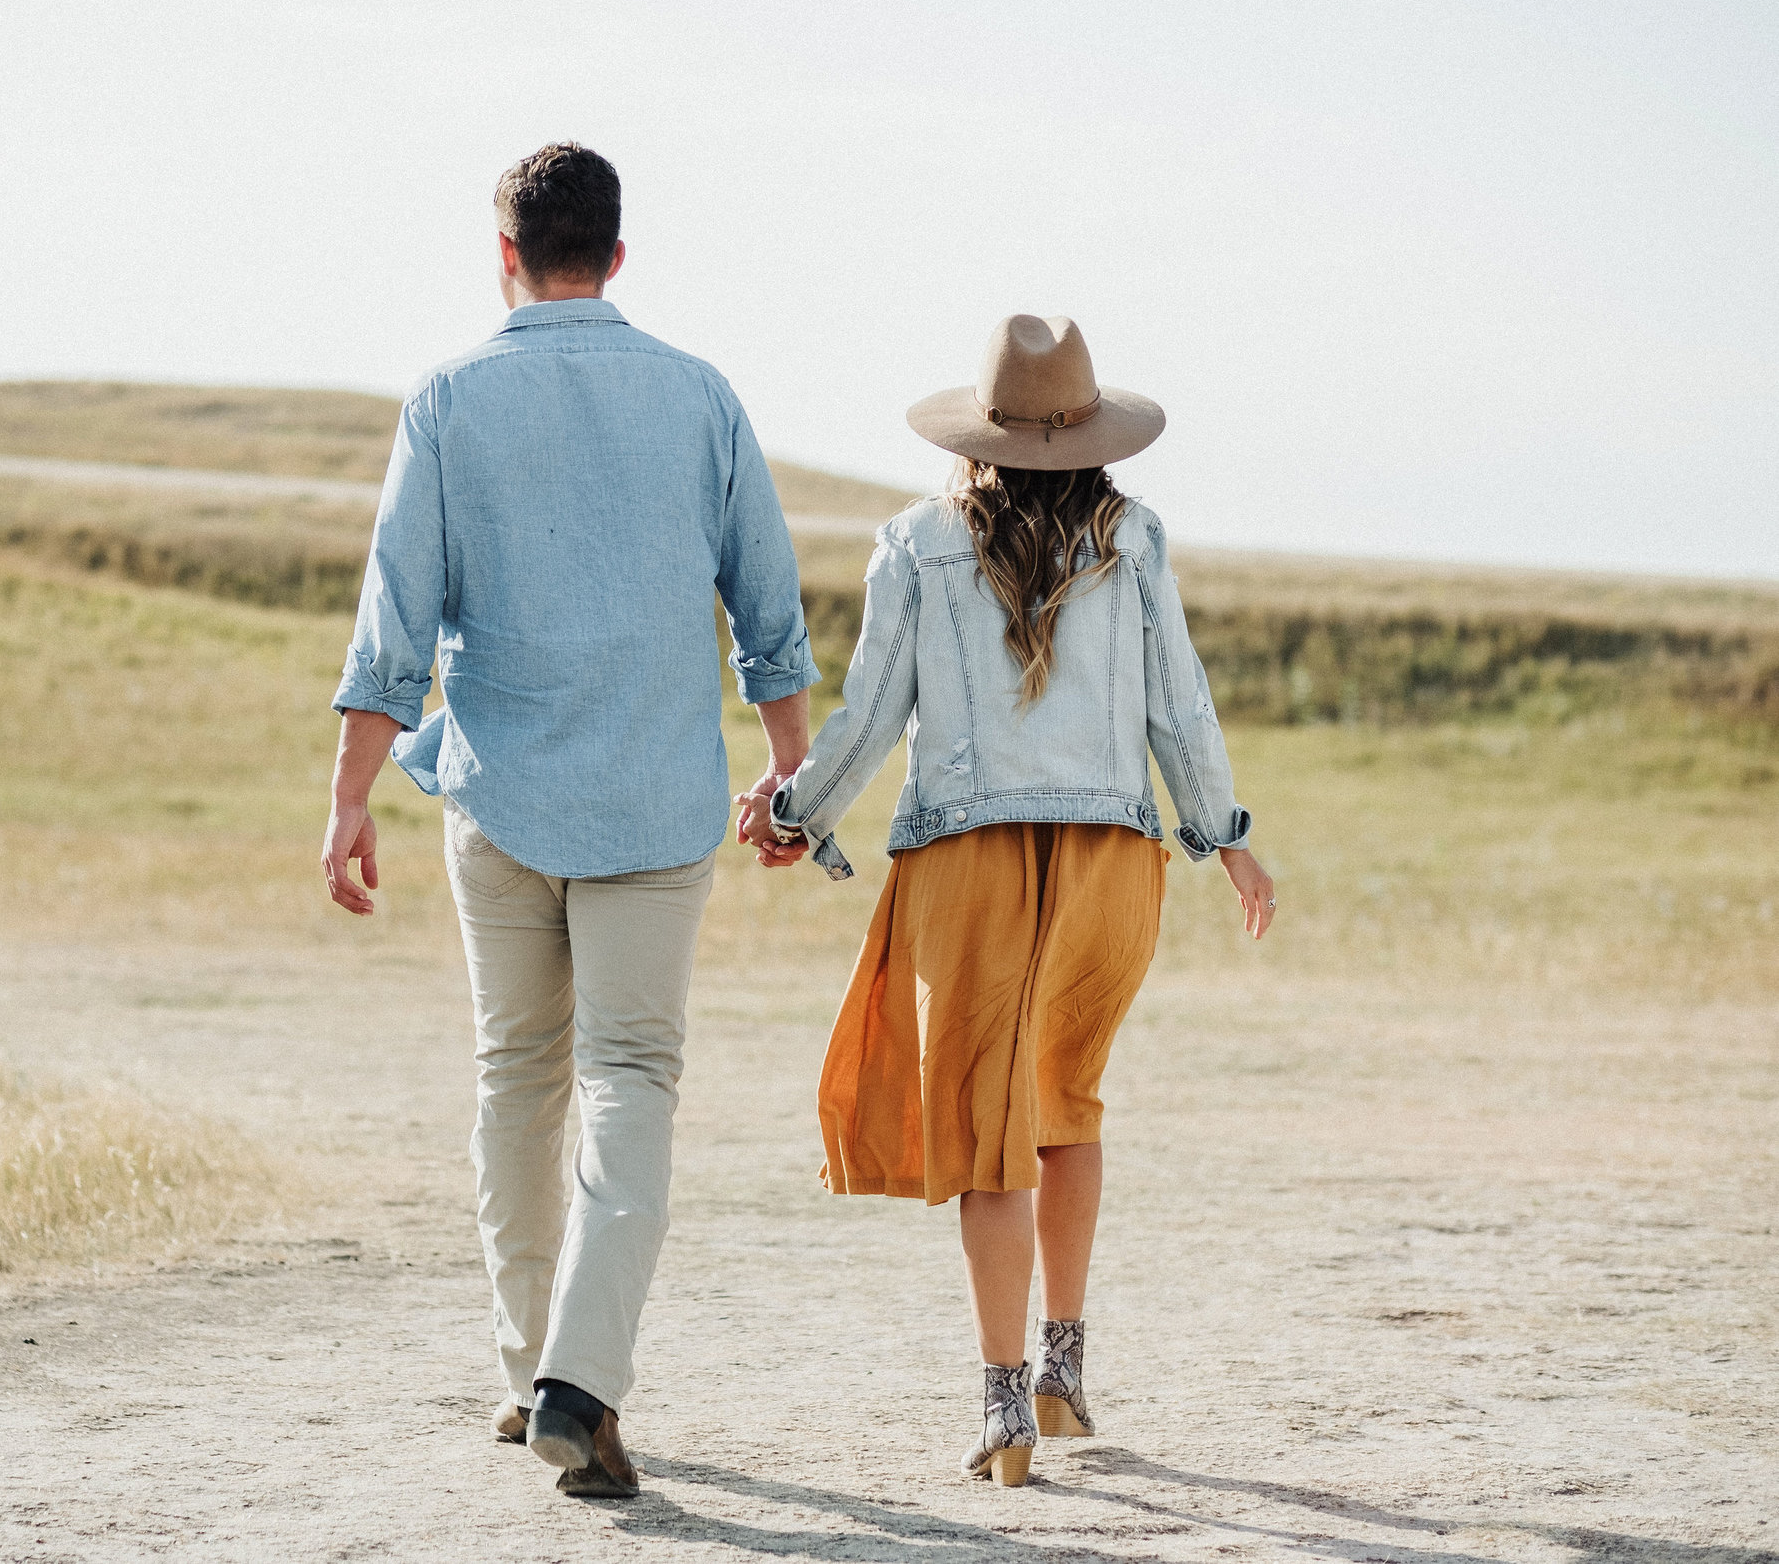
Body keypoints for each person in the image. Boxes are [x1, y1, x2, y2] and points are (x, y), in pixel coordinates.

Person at [323, 143, 818, 1500]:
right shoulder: (702, 396)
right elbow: (768, 618)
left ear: (506, 254)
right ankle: (576, 1380)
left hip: (496, 796)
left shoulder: (447, 399)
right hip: (656, 803)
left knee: (516, 1078)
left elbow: (394, 622)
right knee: (632, 1079)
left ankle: (529, 1364)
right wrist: (793, 780)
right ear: (615, 254)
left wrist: (351, 791)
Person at [738, 314, 1278, 1488]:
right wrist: (1224, 837)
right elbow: (1178, 710)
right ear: (1090, 432)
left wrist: (794, 809)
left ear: (978, 432)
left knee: (987, 1126)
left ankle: (999, 1405)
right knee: (1065, 1103)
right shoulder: (1135, 541)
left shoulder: (914, 542)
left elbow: (872, 712)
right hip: (1109, 862)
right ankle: (1061, 1364)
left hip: (968, 864)